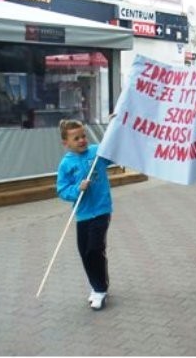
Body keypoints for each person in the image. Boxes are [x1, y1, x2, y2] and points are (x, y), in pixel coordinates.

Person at [56, 119, 113, 311]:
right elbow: (62, 190)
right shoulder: (66, 164)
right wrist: (76, 189)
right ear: (66, 143)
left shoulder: (97, 152)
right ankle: (96, 285)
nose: (82, 140)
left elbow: (113, 149)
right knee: (84, 252)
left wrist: (115, 125)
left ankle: (101, 289)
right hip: (83, 214)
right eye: (76, 138)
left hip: (101, 210)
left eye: (83, 136)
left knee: (94, 249)